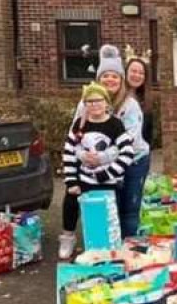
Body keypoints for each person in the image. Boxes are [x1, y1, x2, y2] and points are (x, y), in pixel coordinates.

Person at [71, 44, 149, 238]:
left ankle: (129, 249)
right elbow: (75, 133)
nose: (110, 80)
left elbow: (129, 140)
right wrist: (82, 154)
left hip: (133, 161)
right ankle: (109, 246)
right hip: (97, 163)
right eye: (105, 76)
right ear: (98, 79)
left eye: (114, 76)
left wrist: (103, 157)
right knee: (107, 205)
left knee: (128, 208)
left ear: (121, 80)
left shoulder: (130, 106)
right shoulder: (87, 102)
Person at [59, 82, 134, 260]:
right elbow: (69, 152)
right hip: (83, 178)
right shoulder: (80, 124)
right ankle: (68, 238)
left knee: (105, 214)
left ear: (106, 103)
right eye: (89, 102)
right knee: (70, 204)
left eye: (98, 101)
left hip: (106, 180)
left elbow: (128, 152)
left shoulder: (115, 124)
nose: (94, 105)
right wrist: (71, 181)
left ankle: (105, 245)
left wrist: (107, 174)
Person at [119, 49, 152, 238]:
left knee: (132, 206)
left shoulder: (144, 101)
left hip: (137, 159)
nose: (137, 75)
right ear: (125, 72)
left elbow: (146, 135)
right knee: (117, 203)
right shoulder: (116, 98)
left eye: (141, 73)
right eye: (133, 71)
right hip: (114, 159)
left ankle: (130, 244)